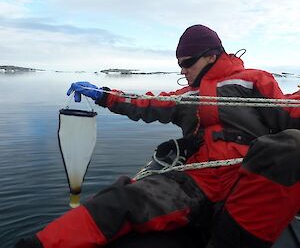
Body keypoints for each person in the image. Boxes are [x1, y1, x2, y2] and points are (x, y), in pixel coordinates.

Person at [14, 24, 300, 248]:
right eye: (180, 65)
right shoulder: (187, 97)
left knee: (290, 148)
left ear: (212, 55)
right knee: (121, 200)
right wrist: (104, 95)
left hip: (249, 175)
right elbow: (145, 104)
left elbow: (290, 111)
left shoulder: (253, 81)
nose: (183, 71)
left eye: (188, 63)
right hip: (197, 178)